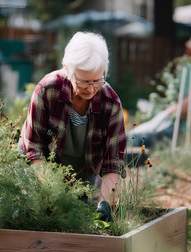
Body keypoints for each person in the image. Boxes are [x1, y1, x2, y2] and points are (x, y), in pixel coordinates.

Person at [19, 32, 126, 214]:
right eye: (84, 82)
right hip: (40, 169)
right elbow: (34, 148)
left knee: (80, 212)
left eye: (97, 80)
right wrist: (55, 193)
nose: (91, 89)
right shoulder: (47, 90)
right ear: (68, 69)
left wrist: (104, 205)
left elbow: (113, 162)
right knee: (39, 213)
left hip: (81, 175)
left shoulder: (111, 103)